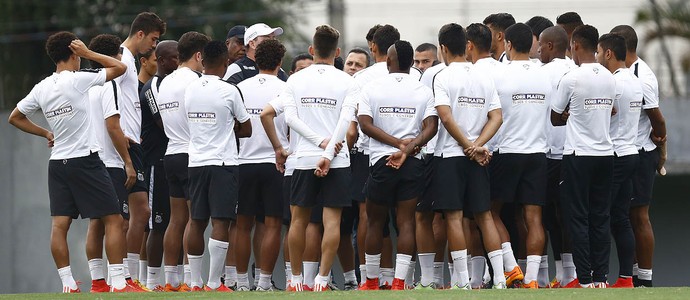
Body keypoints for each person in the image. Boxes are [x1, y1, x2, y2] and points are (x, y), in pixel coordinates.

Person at [7, 31, 130, 293]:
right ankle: (119, 283)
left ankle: (68, 284)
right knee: (114, 220)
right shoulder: (78, 80)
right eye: (79, 54)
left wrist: (45, 133)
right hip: (85, 160)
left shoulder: (42, 87)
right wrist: (89, 54)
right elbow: (120, 67)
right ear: (74, 53)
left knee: (60, 226)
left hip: (58, 163)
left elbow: (15, 117)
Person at [357, 40, 438, 291]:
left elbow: (365, 124)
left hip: (381, 161)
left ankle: (370, 282)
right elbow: (432, 127)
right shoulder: (422, 89)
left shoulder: (372, 87)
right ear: (410, 63)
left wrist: (394, 145)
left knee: (374, 222)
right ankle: (399, 282)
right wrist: (408, 147)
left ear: (389, 61)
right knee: (406, 222)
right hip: (412, 162)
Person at [431, 23, 505, 290]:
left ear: (443, 48)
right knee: (484, 216)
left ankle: (461, 281)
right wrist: (478, 146)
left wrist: (467, 146)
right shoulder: (484, 76)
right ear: (466, 46)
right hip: (479, 155)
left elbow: (445, 115)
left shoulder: (442, 76)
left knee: (454, 217)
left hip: (452, 155)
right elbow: (496, 117)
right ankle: (499, 279)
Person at [284, 24, 357, 292]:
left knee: (298, 221)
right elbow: (345, 121)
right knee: (332, 222)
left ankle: (295, 279)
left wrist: (318, 143)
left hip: (304, 158)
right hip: (337, 160)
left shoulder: (295, 79)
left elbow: (290, 118)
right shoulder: (349, 81)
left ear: (312, 49)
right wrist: (328, 151)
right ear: (337, 52)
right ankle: (322, 280)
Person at [551, 24, 615, 289]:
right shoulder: (610, 76)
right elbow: (613, 111)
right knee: (601, 217)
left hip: (578, 154)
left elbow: (555, 117)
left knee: (577, 217)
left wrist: (568, 114)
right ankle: (601, 278)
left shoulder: (571, 77)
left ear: (575, 45)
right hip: (605, 154)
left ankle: (585, 279)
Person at [184, 40, 251, 292]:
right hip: (223, 162)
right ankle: (213, 284)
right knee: (221, 221)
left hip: (196, 161)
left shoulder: (190, 89)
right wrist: (229, 124)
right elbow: (246, 128)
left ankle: (194, 282)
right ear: (226, 63)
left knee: (196, 221)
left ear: (202, 61)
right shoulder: (229, 90)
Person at [491, 23, 551, 289]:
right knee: (534, 217)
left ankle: (511, 266)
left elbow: (490, 114)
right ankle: (532, 279)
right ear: (534, 45)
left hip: (507, 150)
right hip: (538, 151)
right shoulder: (545, 74)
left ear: (508, 45)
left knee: (490, 212)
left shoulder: (499, 74)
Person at [350, 24, 409, 289]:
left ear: (374, 47)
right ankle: (396, 278)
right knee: (405, 219)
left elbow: (355, 120)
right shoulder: (414, 76)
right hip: (409, 152)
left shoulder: (362, 78)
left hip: (369, 153)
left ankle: (370, 276)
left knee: (370, 217)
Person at [610, 24, 667, 288]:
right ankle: (631, 275)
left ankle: (645, 279)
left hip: (641, 153)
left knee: (639, 216)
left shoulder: (643, 75)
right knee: (624, 215)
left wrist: (659, 145)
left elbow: (658, 119)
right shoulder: (620, 73)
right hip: (624, 153)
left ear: (621, 44)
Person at [83, 33, 137, 293]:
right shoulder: (109, 84)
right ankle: (120, 281)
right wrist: (128, 162)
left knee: (97, 222)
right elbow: (112, 125)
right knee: (118, 221)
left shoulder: (82, 84)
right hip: (110, 162)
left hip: (88, 160)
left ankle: (98, 282)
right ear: (113, 57)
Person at [157, 31, 210, 292]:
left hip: (171, 153)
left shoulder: (164, 82)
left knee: (176, 219)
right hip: (192, 153)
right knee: (195, 219)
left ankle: (170, 279)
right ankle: (191, 278)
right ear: (199, 55)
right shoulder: (196, 81)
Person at [117, 12, 166, 287]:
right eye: (153, 40)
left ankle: (129, 278)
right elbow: (106, 96)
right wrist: (119, 133)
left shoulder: (130, 61)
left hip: (133, 147)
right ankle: (120, 278)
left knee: (140, 214)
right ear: (140, 34)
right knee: (122, 219)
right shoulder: (123, 58)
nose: (154, 46)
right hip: (124, 148)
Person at [234, 39, 287, 292]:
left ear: (255, 59)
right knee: (273, 224)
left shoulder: (241, 87)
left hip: (244, 161)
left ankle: (243, 283)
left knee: (242, 225)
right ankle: (264, 282)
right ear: (280, 62)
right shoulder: (286, 87)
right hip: (276, 163)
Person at [595, 33, 643, 288]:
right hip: (631, 152)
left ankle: (598, 277)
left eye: (599, 53)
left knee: (600, 215)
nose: (597, 58)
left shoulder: (613, 83)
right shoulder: (635, 81)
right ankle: (626, 277)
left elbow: (602, 115)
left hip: (614, 155)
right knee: (620, 218)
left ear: (609, 54)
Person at [465, 22, 507, 289]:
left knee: (476, 218)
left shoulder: (472, 73)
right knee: (495, 215)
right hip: (503, 149)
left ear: (469, 45)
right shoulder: (505, 70)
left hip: (477, 153)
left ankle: (482, 277)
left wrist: (475, 146)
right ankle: (502, 274)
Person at [537, 25, 577, 288]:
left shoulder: (541, 74)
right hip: (574, 153)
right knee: (568, 215)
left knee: (543, 216)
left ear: (550, 46)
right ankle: (566, 274)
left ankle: (557, 274)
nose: (538, 50)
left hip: (549, 152)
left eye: (540, 45)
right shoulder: (577, 71)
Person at [140, 40, 179, 291]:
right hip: (156, 162)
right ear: (162, 60)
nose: (180, 61)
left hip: (179, 159)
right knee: (158, 223)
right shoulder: (152, 86)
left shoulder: (180, 85)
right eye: (177, 57)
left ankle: (180, 280)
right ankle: (153, 281)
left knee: (182, 219)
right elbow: (164, 123)